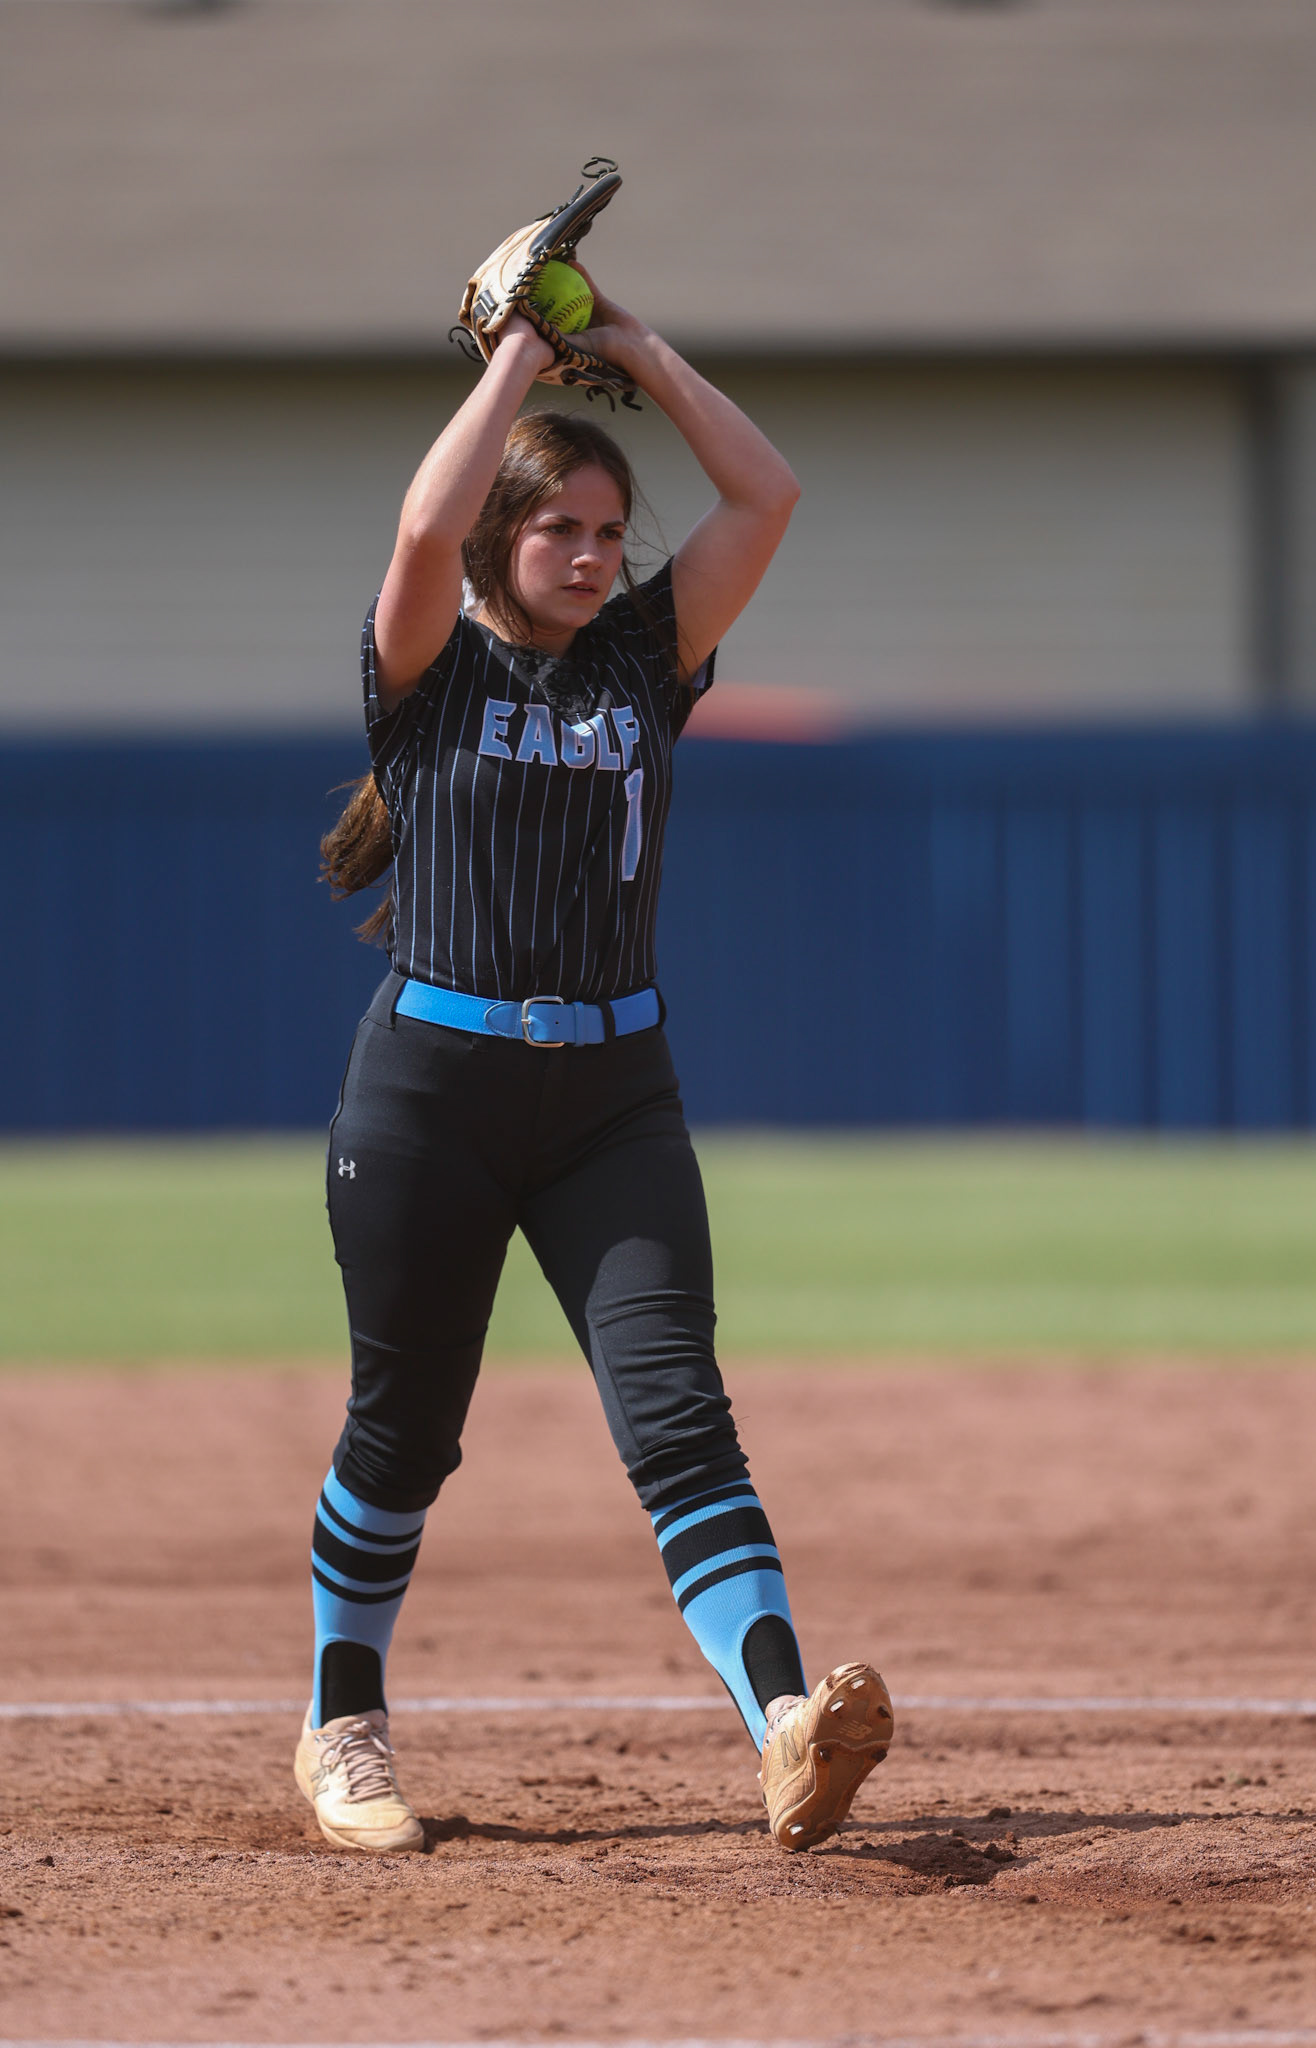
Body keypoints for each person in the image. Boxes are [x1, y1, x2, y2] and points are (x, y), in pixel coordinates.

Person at [294, 268, 893, 1857]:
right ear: (506, 543)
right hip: (432, 1093)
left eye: (609, 531)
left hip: (615, 1096)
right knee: (406, 1428)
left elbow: (764, 490)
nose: (591, 553)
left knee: (677, 1410)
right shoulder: (433, 667)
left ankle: (781, 1726)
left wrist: (626, 346)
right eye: (558, 528)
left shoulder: (644, 656)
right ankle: (343, 1720)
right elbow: (422, 536)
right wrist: (509, 360)